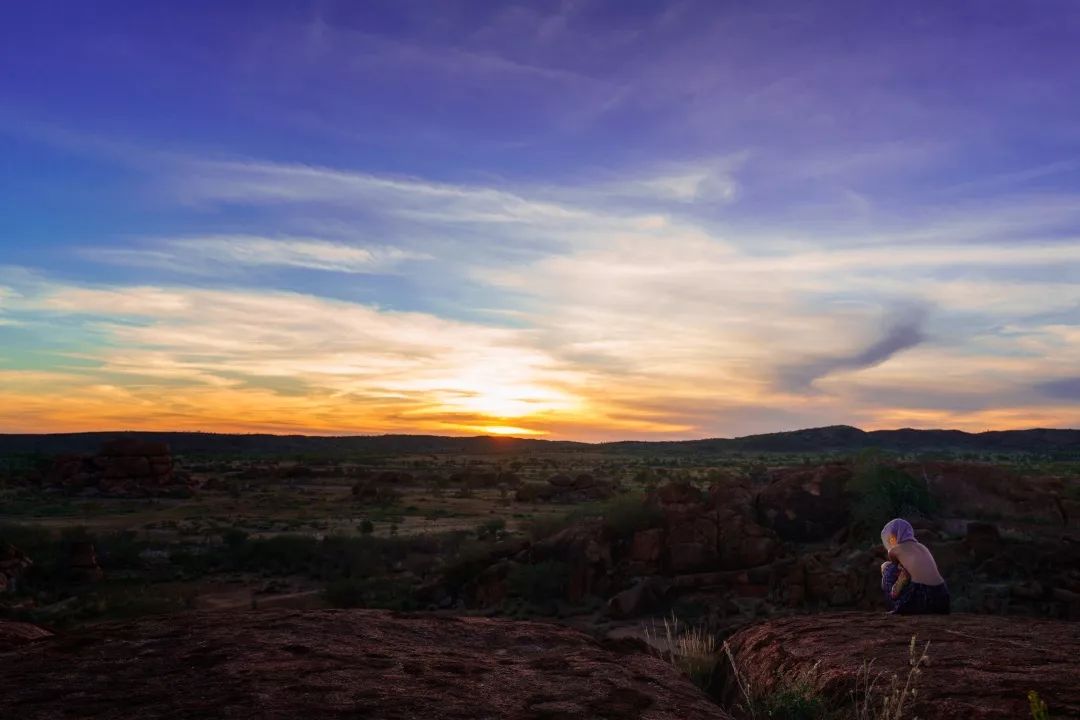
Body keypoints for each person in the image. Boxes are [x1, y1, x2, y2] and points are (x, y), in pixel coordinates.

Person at [879, 518, 950, 615]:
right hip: (942, 598)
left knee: (887, 567)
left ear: (892, 537)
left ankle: (897, 606)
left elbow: (897, 568)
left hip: (920, 599)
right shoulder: (922, 547)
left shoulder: (894, 551)